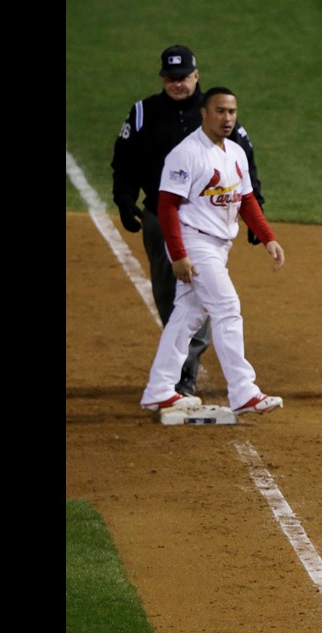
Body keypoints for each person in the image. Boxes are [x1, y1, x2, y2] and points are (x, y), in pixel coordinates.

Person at [111, 44, 269, 396]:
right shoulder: (143, 113)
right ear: (163, 78)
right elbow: (124, 160)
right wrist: (124, 199)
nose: (177, 83)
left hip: (206, 221)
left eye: (183, 77)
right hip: (160, 216)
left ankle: (184, 378)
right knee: (174, 297)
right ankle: (173, 383)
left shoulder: (219, 115)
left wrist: (257, 215)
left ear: (196, 77)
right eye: (171, 78)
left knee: (204, 304)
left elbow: (244, 169)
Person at [138, 86, 285, 417]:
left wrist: (267, 237)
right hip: (195, 242)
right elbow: (166, 206)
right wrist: (178, 254)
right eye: (220, 111)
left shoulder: (235, 152)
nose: (227, 118)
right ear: (204, 113)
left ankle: (159, 389)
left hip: (219, 246)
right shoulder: (186, 153)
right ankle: (243, 390)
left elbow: (245, 199)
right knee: (227, 307)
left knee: (188, 315)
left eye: (232, 112)